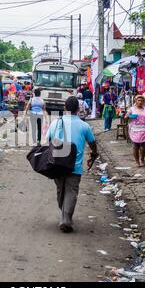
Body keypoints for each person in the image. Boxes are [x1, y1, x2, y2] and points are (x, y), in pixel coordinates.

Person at [47, 96, 98, 233]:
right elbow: (92, 143)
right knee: (71, 191)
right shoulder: (84, 126)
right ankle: (66, 219)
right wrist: (94, 154)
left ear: (65, 108)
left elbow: (49, 141)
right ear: (78, 109)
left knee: (60, 190)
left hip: (57, 164)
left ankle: (65, 216)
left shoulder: (55, 123)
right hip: (74, 166)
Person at [125, 95, 145, 167]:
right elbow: (125, 117)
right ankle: (137, 161)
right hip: (135, 130)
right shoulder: (132, 109)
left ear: (143, 102)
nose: (140, 102)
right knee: (136, 146)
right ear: (135, 101)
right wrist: (129, 116)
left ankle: (142, 158)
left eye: (141, 100)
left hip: (144, 129)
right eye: (138, 100)